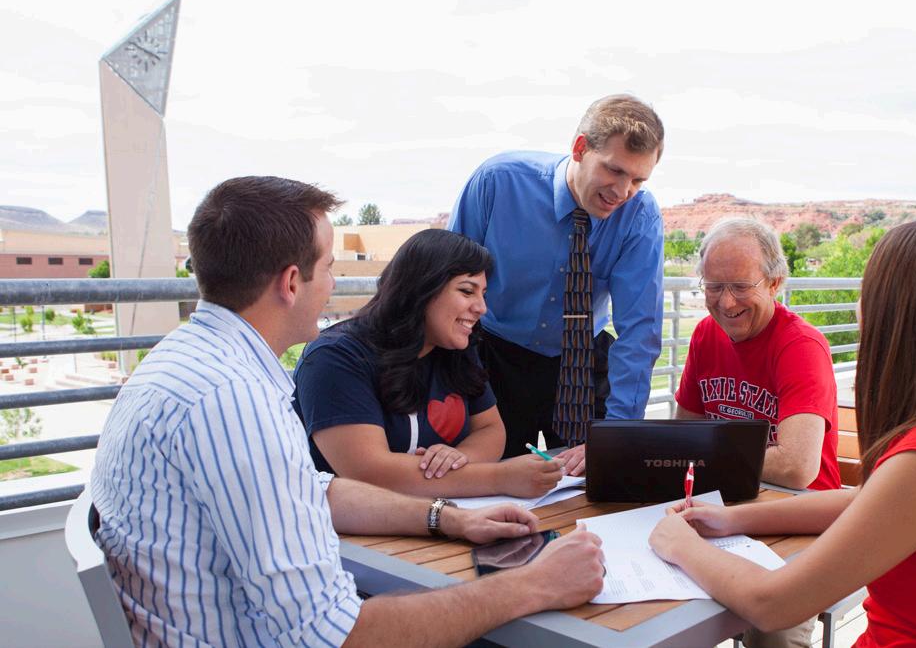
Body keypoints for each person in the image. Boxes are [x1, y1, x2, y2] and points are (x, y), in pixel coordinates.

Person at [90, 176, 605, 647]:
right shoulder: (231, 401)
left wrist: (449, 519)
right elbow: (334, 635)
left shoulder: (190, 363)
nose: (334, 285)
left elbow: (313, 488)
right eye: (330, 267)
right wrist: (534, 585)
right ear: (292, 282)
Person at [650, 220, 916, 646]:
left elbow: (772, 603)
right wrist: (731, 518)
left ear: (904, 320)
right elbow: (865, 500)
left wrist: (681, 545)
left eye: (869, 293)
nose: (858, 309)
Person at [449, 94, 665, 475]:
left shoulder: (640, 216)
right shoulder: (497, 183)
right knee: (487, 482)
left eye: (637, 179)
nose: (622, 192)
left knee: (600, 478)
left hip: (582, 360)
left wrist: (616, 435)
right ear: (580, 148)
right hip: (494, 356)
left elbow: (639, 332)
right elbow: (446, 289)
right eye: (614, 170)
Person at [293, 228, 564, 498]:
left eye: (483, 294)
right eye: (467, 291)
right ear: (421, 288)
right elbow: (369, 473)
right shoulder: (335, 358)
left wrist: (458, 458)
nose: (481, 307)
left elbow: (491, 430)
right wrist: (498, 478)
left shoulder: (455, 345)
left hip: (442, 514)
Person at [675, 218, 841, 491]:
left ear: (774, 283)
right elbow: (684, 435)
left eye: (741, 287)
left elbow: (796, 467)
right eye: (714, 287)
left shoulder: (801, 346)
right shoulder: (706, 334)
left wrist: (707, 456)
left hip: (798, 502)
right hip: (730, 492)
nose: (727, 303)